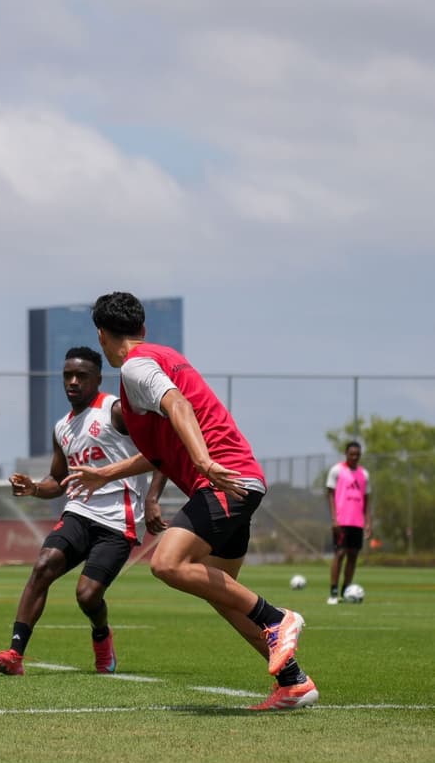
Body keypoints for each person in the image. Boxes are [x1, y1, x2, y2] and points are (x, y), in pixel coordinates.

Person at [64, 291, 318, 711]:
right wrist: (105, 472)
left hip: (222, 479)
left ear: (102, 335)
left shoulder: (135, 367)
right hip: (235, 480)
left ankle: (276, 618)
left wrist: (204, 461)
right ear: (142, 329)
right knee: (222, 594)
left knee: (167, 563)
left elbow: (178, 405)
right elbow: (163, 449)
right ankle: (294, 683)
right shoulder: (163, 357)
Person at [0, 346, 164, 676]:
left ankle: (102, 636)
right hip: (78, 513)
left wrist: (153, 497)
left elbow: (162, 448)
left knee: (87, 596)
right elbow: (58, 479)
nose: (72, 381)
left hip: (117, 521)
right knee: (43, 566)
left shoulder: (115, 411)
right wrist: (35, 488)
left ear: (97, 378)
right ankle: (14, 653)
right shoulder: (62, 428)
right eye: (67, 375)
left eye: (81, 376)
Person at [326, 441, 371, 604]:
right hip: (341, 521)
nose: (354, 457)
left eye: (357, 454)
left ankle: (346, 590)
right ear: (346, 454)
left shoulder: (364, 474)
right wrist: (334, 518)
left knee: (353, 556)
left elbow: (366, 500)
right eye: (352, 454)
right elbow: (330, 494)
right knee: (339, 554)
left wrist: (368, 522)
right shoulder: (337, 470)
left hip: (357, 522)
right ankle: (333, 591)